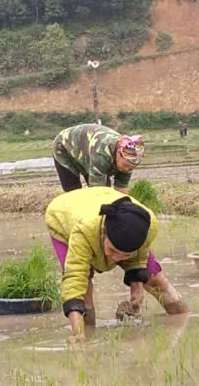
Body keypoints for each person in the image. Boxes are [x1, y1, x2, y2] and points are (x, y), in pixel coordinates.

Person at [45, 185, 186, 343]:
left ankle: (183, 318)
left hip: (104, 201)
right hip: (63, 218)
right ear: (104, 233)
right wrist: (77, 333)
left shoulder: (147, 225)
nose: (117, 258)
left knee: (155, 280)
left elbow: (140, 258)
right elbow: (74, 281)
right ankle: (85, 337)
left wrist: (137, 290)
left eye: (125, 255)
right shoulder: (83, 232)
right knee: (84, 291)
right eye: (112, 250)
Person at [51, 121, 145, 192]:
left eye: (131, 168)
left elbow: (121, 188)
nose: (127, 169)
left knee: (106, 189)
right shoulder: (101, 154)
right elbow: (98, 191)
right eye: (125, 165)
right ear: (118, 153)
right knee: (74, 190)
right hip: (65, 146)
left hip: (88, 151)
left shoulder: (130, 158)